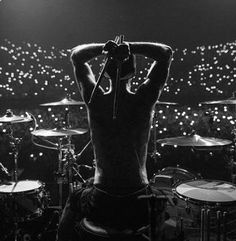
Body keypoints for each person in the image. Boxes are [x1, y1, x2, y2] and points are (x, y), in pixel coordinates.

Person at [57, 37, 173, 241]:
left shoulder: (95, 100)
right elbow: (165, 52)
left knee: (75, 197)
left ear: (106, 71)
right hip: (138, 199)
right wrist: (131, 48)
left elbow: (76, 54)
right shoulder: (143, 100)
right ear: (133, 72)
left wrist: (104, 48)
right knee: (164, 206)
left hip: (102, 200)